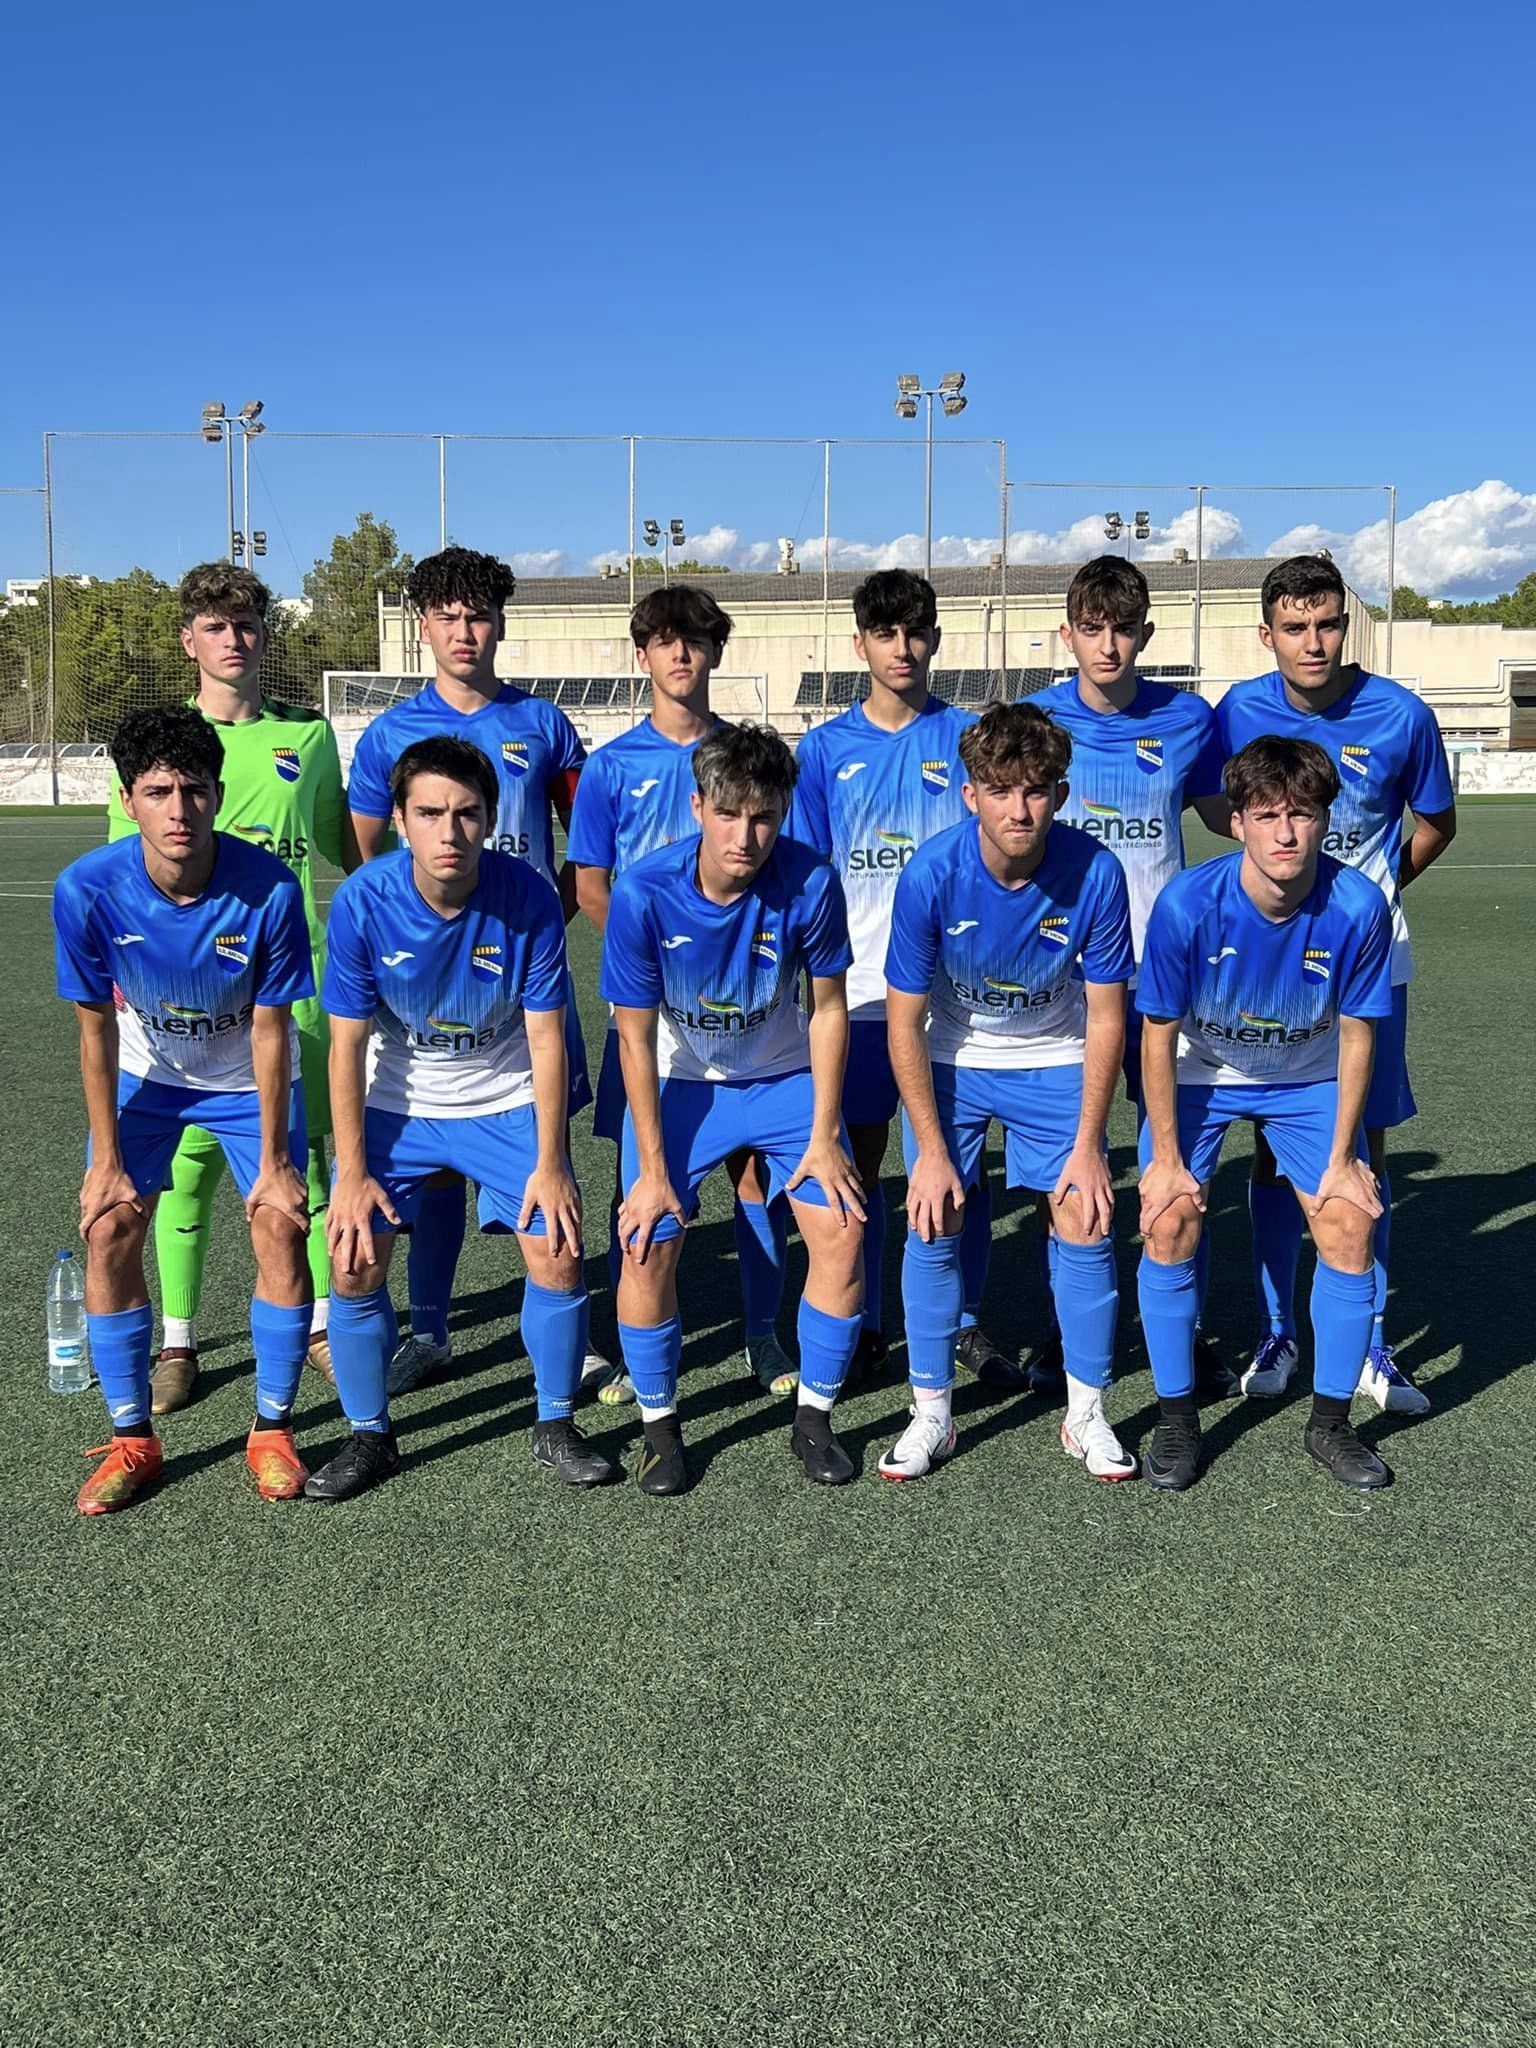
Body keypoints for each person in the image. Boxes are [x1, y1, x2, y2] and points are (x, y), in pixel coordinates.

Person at [309, 735, 610, 1502]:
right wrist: (351, 1172)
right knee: (352, 1259)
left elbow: (546, 1038)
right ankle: (369, 1435)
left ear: (490, 818)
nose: (450, 832)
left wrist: (553, 1162)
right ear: (400, 820)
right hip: (397, 1103)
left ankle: (556, 1424)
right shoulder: (364, 902)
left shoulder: (529, 896)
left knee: (558, 1250)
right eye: (430, 813)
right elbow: (346, 1047)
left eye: (468, 813)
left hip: (503, 1098)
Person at [107, 562, 356, 1412]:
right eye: (215, 626)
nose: (233, 639)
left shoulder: (308, 739)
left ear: (264, 635)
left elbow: (344, 852)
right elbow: (120, 875)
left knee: (300, 1169)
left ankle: (317, 1326)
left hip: (293, 991)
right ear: (190, 641)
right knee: (187, 1171)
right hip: (186, 1000)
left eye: (246, 624)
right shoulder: (161, 747)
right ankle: (178, 1342)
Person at [54, 707, 315, 1515]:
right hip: (148, 1074)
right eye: (158, 792)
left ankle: (273, 1430)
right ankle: (132, 1439)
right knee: (109, 1226)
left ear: (218, 796)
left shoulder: (269, 889)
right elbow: (95, 1030)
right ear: (127, 800)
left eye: (194, 790)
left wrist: (276, 1161)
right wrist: (106, 1161)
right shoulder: (87, 889)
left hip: (246, 1078)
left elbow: (271, 1028)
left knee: (280, 1222)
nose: (179, 810)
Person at [346, 547, 593, 1397]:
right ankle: (431, 1331)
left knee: (538, 1158)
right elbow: (366, 856)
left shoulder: (545, 724)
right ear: (423, 625)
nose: (464, 632)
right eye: (447, 616)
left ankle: (564, 1338)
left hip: (517, 980)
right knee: (431, 1167)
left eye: (478, 616)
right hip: (423, 989)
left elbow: (588, 843)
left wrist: (538, 926)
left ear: (499, 624)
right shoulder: (387, 735)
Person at [1215, 555, 1455, 1411]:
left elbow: (1436, 823)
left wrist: (1366, 898)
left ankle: (1371, 1346)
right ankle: (1278, 1331)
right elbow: (1215, 805)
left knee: (1363, 1147)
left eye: (1326, 625)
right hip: (1269, 959)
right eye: (1295, 627)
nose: (1312, 642)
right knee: (1274, 1146)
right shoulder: (1238, 710)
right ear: (1268, 634)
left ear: (1344, 625)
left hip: (1368, 962)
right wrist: (1282, 880)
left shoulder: (1401, 713)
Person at [601, 722, 864, 1495]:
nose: (745, 837)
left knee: (843, 1229)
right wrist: (653, 1172)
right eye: (728, 814)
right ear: (698, 808)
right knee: (646, 1240)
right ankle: (659, 1427)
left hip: (783, 1082)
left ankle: (814, 1418)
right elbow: (634, 1037)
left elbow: (828, 1009)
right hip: (683, 1083)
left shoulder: (810, 881)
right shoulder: (644, 891)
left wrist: (824, 1134)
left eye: (763, 817)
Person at [880, 702, 1136, 1483]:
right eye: (999, 790)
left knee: (1085, 1214)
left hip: (1056, 1058)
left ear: (1059, 794)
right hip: (953, 1058)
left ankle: (1085, 1414)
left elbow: (1106, 1016)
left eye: (1034, 790)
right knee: (933, 1216)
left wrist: (1091, 1145)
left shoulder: (1097, 872)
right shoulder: (931, 873)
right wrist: (928, 1151)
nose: (1018, 809)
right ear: (971, 795)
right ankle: (931, 1414)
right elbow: (904, 1020)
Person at [1135, 736, 1394, 1492]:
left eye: (1303, 814)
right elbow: (1157, 1036)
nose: (1286, 833)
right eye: (1268, 814)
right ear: (1237, 820)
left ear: (1324, 821)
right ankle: (1177, 1419)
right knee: (1169, 1218)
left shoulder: (1358, 905)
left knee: (1349, 1221)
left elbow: (1358, 1034)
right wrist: (1166, 1160)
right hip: (1203, 1074)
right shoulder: (1188, 904)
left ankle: (1332, 1424)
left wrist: (1343, 1159)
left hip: (1308, 1078)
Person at [569, 585, 792, 1401]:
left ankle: (763, 1334)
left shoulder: (748, 758)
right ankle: (632, 1341)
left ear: (715, 653)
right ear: (643, 656)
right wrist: (658, 962)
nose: (681, 655)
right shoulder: (611, 765)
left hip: (742, 1003)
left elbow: (780, 877)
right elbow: (590, 884)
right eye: (665, 641)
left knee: (753, 1175)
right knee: (642, 1173)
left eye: (695, 641)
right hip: (651, 1008)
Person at [788, 569, 1005, 1389]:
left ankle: (965, 1322)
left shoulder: (970, 738)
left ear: (936, 638)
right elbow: (807, 876)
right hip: (854, 995)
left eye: (916, 632)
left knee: (954, 1166)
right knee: (861, 1162)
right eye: (885, 633)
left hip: (951, 1000)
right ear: (860, 645)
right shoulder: (824, 751)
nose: (903, 648)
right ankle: (869, 1319)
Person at [1024, 554, 1233, 1400]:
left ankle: (1184, 1327)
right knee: (1068, 1156)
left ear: (1146, 633)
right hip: (1060, 978)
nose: (1107, 645)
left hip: (1163, 980)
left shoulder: (1188, 720)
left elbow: (1229, 817)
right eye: (1091, 628)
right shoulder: (1037, 719)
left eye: (1122, 629)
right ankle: (1067, 1324)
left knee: (1173, 1156)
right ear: (1066, 633)